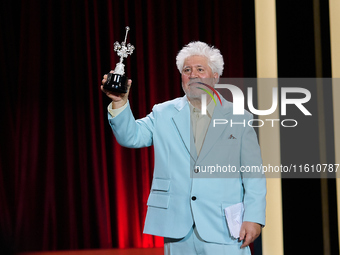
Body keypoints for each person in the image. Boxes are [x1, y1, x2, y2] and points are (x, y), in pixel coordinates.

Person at [101, 41, 266, 255]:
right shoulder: (162, 113)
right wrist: (119, 102)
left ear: (215, 76)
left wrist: (254, 218)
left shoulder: (240, 117)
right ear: (181, 77)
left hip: (225, 228)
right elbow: (130, 137)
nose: (193, 75)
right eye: (187, 70)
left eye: (200, 69)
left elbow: (254, 174)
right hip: (178, 228)